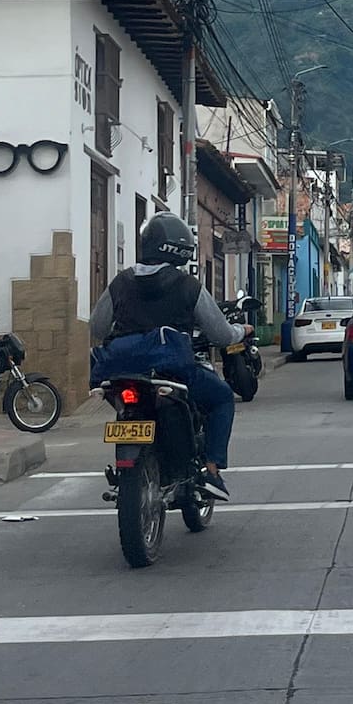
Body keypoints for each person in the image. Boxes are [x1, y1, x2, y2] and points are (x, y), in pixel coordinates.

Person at [89, 213, 247, 502]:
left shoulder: (120, 282)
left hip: (121, 371)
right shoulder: (188, 285)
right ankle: (211, 469)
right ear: (180, 247)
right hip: (171, 370)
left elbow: (98, 328)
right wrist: (242, 330)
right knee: (222, 397)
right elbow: (221, 334)